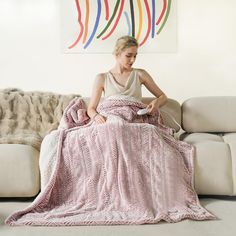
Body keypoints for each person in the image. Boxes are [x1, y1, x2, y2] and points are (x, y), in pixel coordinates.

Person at [87, 35, 168, 124]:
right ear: (117, 54)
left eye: (135, 56)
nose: (132, 60)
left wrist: (157, 102)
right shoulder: (102, 78)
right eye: (128, 56)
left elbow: (163, 97)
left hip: (134, 120)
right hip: (111, 120)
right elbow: (91, 109)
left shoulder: (141, 74)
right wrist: (96, 116)